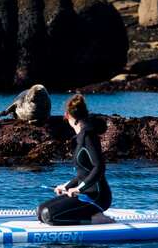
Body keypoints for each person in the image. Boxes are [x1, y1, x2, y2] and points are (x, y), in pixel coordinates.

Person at [37, 94, 113, 225]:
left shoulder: (88, 137)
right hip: (84, 192)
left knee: (49, 216)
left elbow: (99, 167)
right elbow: (83, 173)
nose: (65, 119)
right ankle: (89, 214)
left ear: (69, 116)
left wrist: (79, 189)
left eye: (65, 116)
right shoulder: (81, 136)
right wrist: (66, 186)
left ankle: (94, 219)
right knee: (40, 211)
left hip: (97, 197)